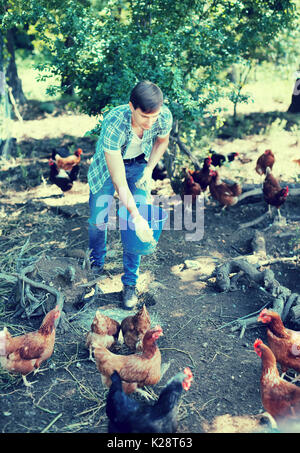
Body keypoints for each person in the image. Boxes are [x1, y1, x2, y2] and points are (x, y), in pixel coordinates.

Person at [87, 81, 173, 309]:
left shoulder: (162, 116)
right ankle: (95, 268)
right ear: (131, 107)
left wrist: (149, 168)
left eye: (154, 117)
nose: (150, 123)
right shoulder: (114, 122)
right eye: (144, 116)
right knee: (98, 220)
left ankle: (130, 283)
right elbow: (118, 180)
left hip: (139, 165)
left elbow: (162, 140)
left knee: (137, 228)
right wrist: (134, 214)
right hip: (107, 170)